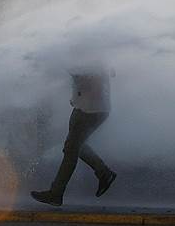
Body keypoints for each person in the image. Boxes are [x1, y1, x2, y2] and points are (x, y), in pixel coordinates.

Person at [31, 67, 117, 206]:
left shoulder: (90, 59)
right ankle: (104, 173)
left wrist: (80, 93)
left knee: (71, 149)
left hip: (90, 110)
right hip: (87, 108)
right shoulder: (88, 57)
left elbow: (94, 83)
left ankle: (56, 193)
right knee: (77, 146)